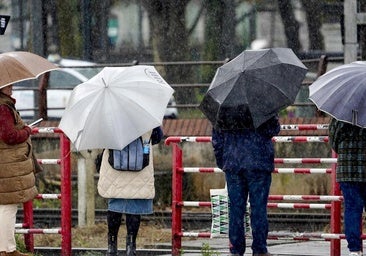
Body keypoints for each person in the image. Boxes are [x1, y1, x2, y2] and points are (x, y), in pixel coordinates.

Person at [211, 115, 280, 256]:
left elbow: (217, 140)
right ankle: (260, 249)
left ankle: (236, 250)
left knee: (236, 210)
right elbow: (273, 129)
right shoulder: (263, 104)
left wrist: (223, 161)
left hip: (233, 164)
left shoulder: (224, 108)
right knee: (259, 209)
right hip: (259, 162)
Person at [97, 127, 163, 256]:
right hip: (140, 166)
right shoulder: (146, 117)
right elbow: (157, 137)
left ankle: (112, 246)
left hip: (114, 166)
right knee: (134, 207)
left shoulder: (110, 118)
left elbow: (101, 138)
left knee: (115, 204)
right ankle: (131, 246)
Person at [0, 84, 38, 256]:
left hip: (5, 162)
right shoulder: (3, 107)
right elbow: (9, 136)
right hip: (8, 164)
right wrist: (26, 131)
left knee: (4, 206)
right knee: (8, 206)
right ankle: (6, 250)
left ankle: (7, 247)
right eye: (8, 84)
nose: (12, 86)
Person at [329, 118, 366, 256]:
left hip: (347, 170)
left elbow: (333, 141)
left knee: (351, 209)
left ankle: (354, 249)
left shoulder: (340, 115)